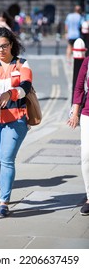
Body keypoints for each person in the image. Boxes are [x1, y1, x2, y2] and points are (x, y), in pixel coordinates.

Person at [0, 27, 32, 217]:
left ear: (12, 45)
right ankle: (4, 184)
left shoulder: (22, 64)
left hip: (16, 118)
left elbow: (26, 86)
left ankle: (4, 201)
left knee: (6, 159)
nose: (1, 50)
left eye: (4, 46)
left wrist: (9, 94)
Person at [67, 56, 89, 215]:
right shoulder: (88, 61)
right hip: (88, 113)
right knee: (86, 155)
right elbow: (79, 87)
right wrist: (75, 113)